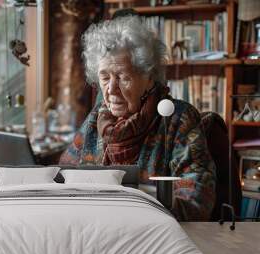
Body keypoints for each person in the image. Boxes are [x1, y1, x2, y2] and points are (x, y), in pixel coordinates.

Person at [59, 15, 216, 221]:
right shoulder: (97, 118)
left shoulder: (178, 119)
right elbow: (63, 177)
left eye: (123, 77)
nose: (111, 90)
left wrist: (136, 203)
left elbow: (198, 198)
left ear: (149, 77)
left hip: (155, 238)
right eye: (105, 77)